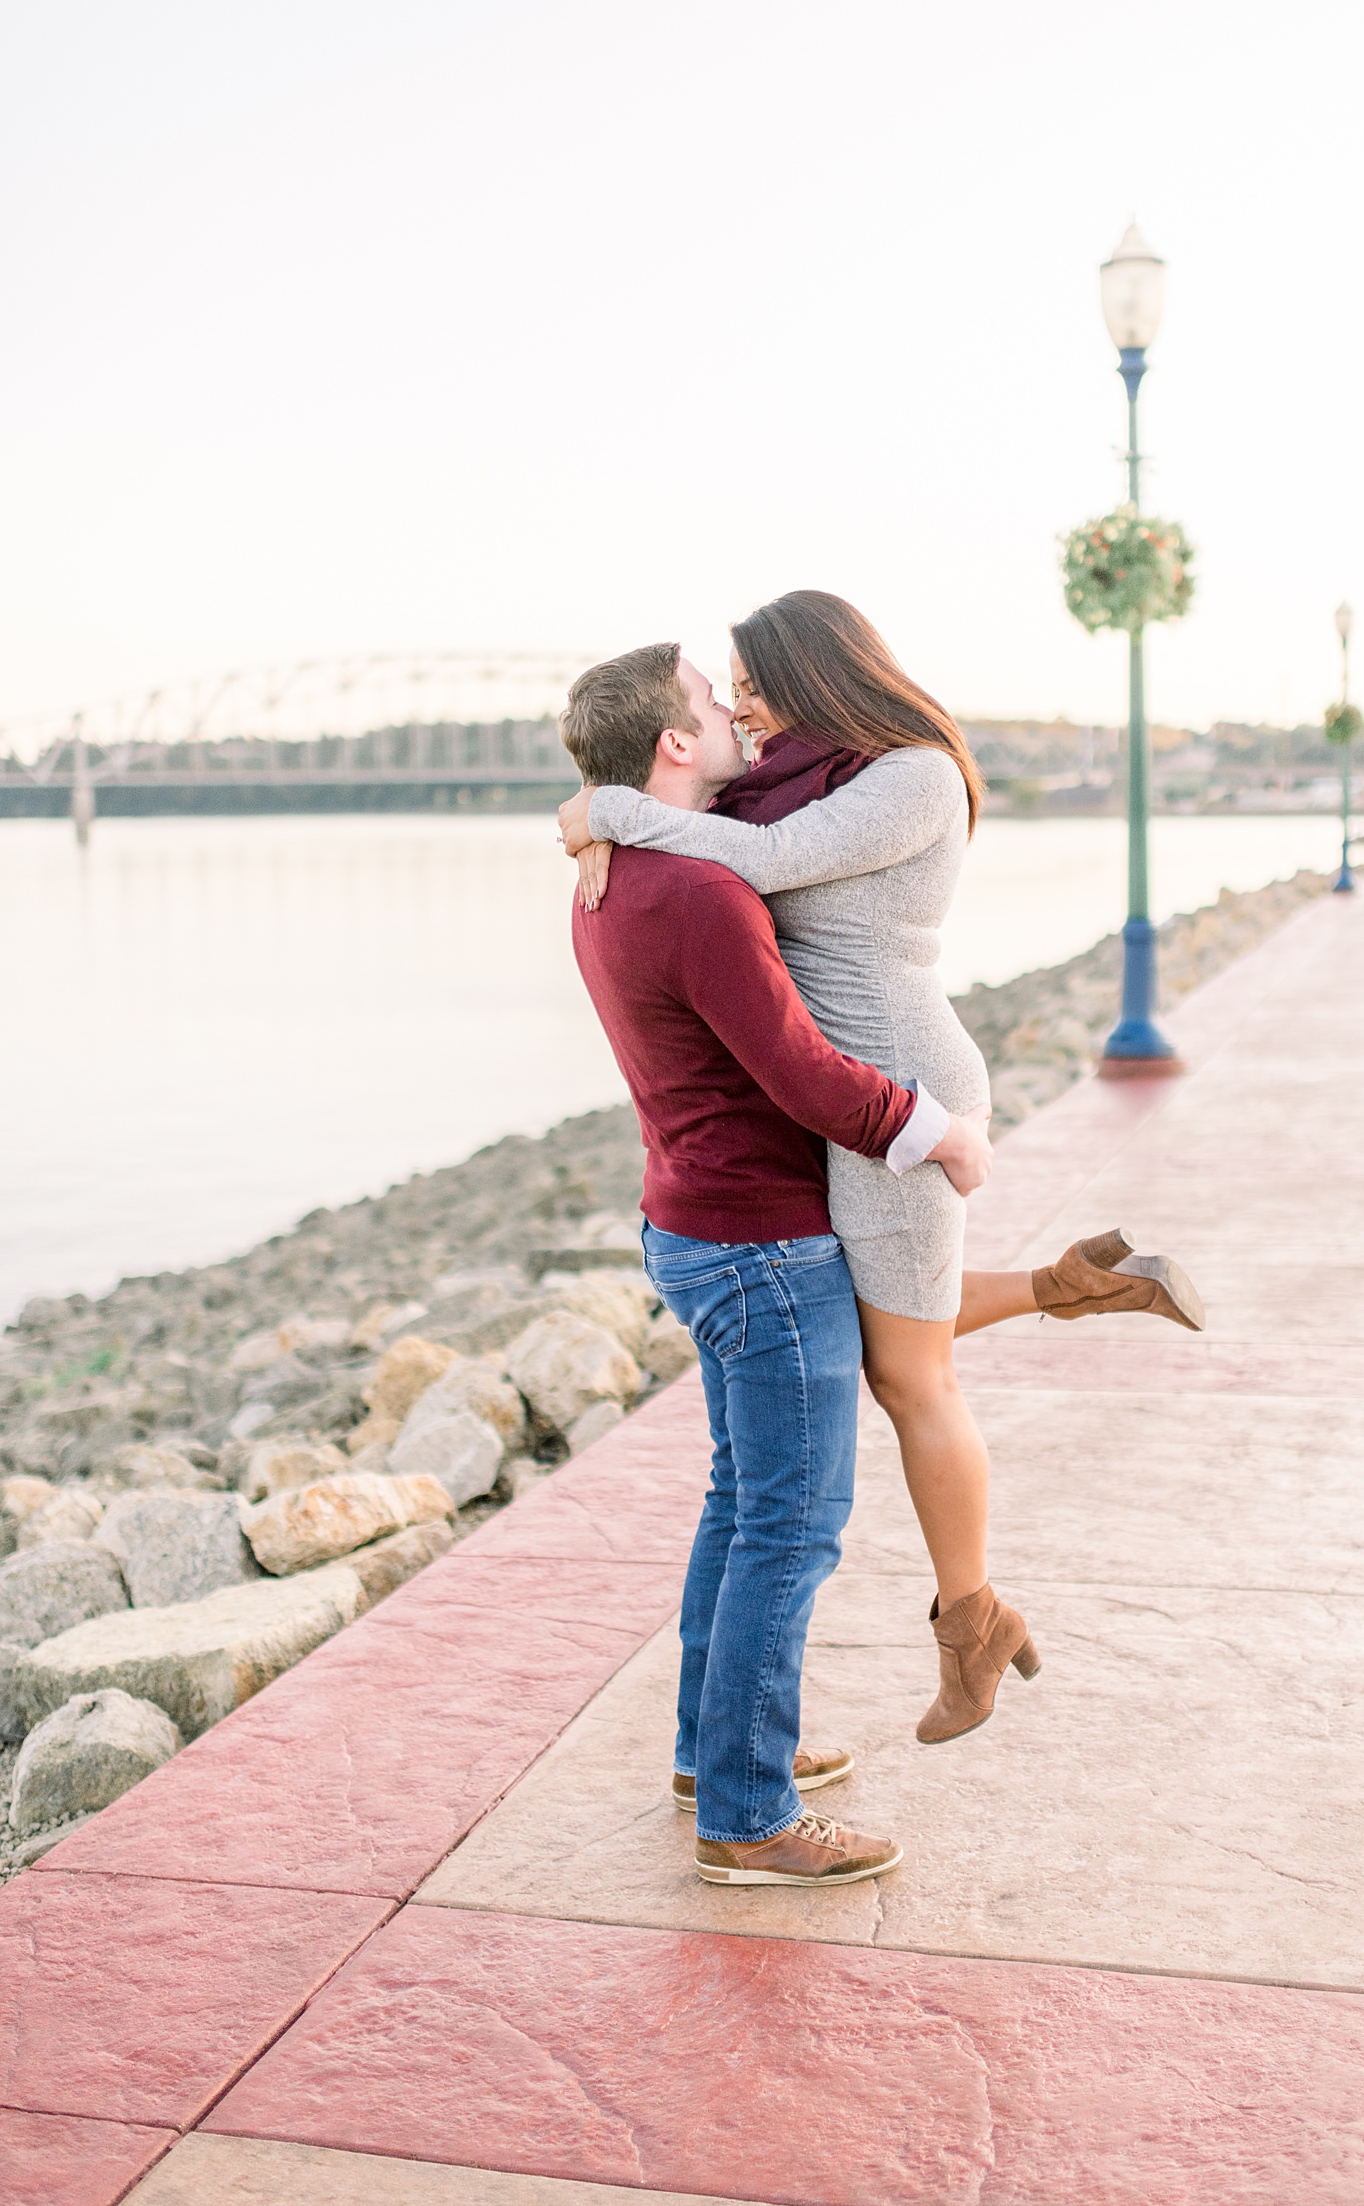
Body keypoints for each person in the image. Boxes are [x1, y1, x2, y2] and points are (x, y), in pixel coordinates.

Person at [559, 590, 1202, 1746]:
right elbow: (726, 825)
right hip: (849, 1094)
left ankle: (973, 1620)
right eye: (728, 693)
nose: (742, 709)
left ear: (815, 673)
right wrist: (620, 813)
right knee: (876, 1332)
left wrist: (607, 807)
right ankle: (1080, 1284)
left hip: (895, 1088)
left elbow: (759, 859)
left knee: (910, 1379)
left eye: (752, 683)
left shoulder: (907, 775)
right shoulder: (803, 772)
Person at [558, 641, 996, 1892]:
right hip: (760, 1241)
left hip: (693, 1223)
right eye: (711, 700)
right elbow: (800, 1070)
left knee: (739, 1503)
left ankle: (718, 1755)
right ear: (676, 746)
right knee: (789, 1530)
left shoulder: (615, 872)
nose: (735, 710)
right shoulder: (697, 894)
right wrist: (938, 1133)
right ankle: (746, 1816)